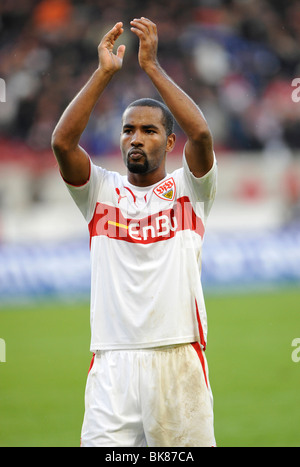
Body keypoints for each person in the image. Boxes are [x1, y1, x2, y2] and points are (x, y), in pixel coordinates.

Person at [51, 17, 217, 447]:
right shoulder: (101, 192)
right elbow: (62, 144)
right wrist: (104, 72)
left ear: (169, 140)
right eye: (128, 130)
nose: (136, 139)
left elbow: (201, 132)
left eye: (149, 130)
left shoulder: (189, 188)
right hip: (112, 364)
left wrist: (152, 67)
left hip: (177, 356)